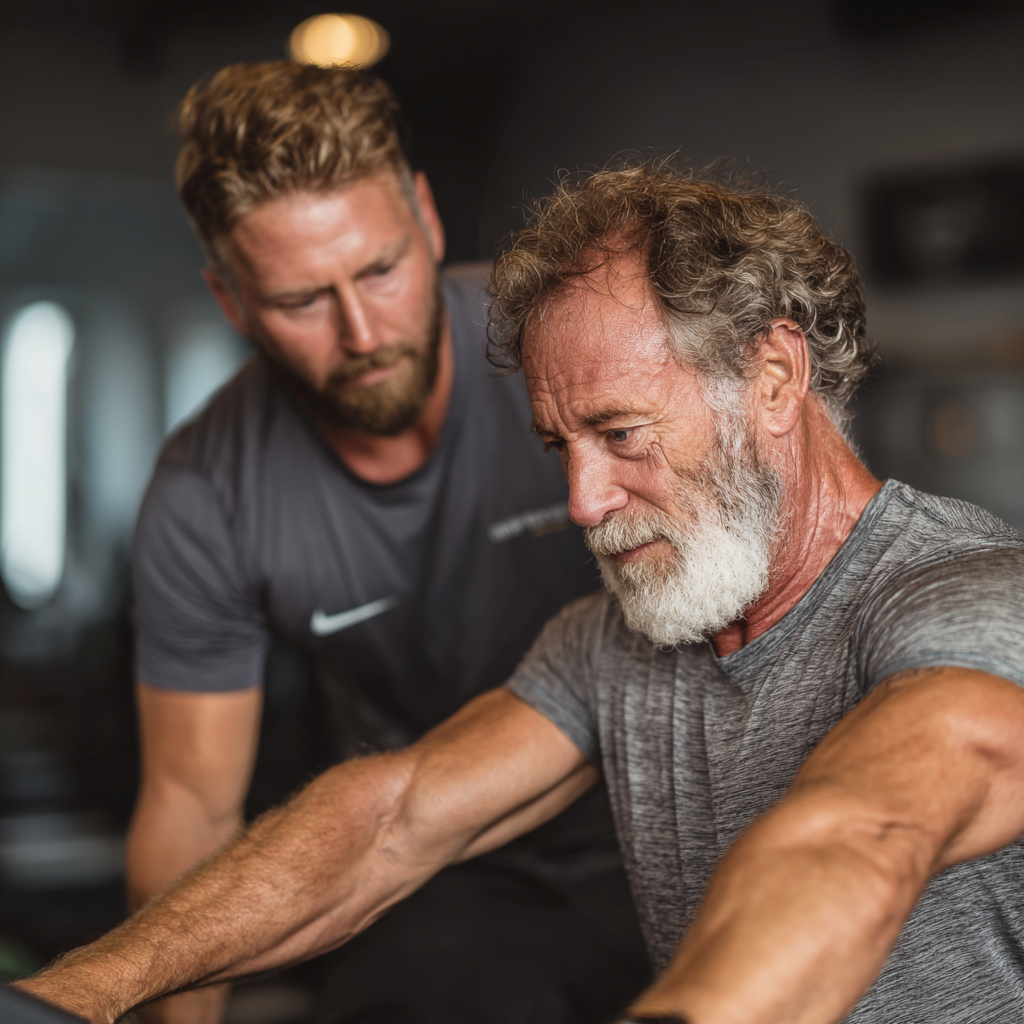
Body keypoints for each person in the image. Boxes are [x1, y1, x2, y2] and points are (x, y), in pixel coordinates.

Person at [19, 163, 1024, 1024]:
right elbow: (391, 818)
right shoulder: (619, 641)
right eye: (559, 446)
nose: (582, 502)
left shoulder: (964, 600)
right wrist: (71, 994)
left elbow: (861, 832)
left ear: (770, 378)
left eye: (620, 434)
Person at [122, 61, 650, 1024]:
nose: (363, 331)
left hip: (674, 816)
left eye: (380, 269)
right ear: (231, 302)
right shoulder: (207, 492)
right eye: (299, 301)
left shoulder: (567, 346)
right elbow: (191, 808)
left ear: (427, 217)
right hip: (437, 860)